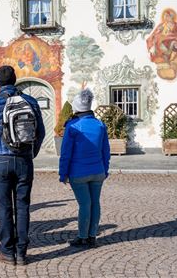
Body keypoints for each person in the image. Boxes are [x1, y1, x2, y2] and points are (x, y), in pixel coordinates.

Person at [0, 65, 45, 265]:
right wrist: (32, 153)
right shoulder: (30, 101)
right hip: (24, 159)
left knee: (4, 207)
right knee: (23, 207)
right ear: (15, 80)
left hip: (0, 159)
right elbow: (40, 132)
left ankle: (7, 251)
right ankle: (22, 252)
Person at [58, 88, 110, 248]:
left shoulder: (73, 126)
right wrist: (105, 169)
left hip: (78, 172)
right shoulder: (100, 125)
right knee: (95, 203)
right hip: (98, 171)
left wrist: (63, 173)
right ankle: (92, 236)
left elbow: (66, 153)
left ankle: (82, 237)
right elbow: (106, 151)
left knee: (84, 204)